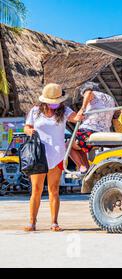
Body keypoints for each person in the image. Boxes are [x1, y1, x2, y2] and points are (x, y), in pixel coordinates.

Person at [24, 83, 81, 232]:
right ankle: (32, 223)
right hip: (38, 155)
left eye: (57, 102)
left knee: (54, 189)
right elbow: (26, 127)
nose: (55, 105)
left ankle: (54, 222)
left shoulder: (64, 111)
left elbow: (78, 118)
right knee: (36, 190)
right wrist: (30, 131)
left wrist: (87, 101)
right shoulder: (35, 111)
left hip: (57, 155)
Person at [69, 82, 115, 173]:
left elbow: (88, 92)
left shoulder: (91, 93)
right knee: (79, 147)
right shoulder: (110, 98)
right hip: (105, 132)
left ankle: (82, 167)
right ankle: (88, 169)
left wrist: (82, 109)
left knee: (68, 146)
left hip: (90, 130)